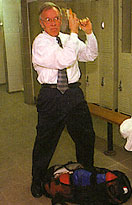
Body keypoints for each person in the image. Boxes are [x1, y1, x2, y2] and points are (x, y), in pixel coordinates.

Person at [31, 2, 98, 198]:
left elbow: (90, 55)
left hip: (73, 94)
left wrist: (90, 33)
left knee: (86, 137)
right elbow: (63, 60)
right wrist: (75, 33)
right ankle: (37, 180)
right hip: (51, 96)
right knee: (45, 142)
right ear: (42, 23)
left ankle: (86, 175)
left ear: (61, 20)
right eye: (48, 20)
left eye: (56, 19)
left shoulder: (68, 38)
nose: (53, 23)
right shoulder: (40, 43)